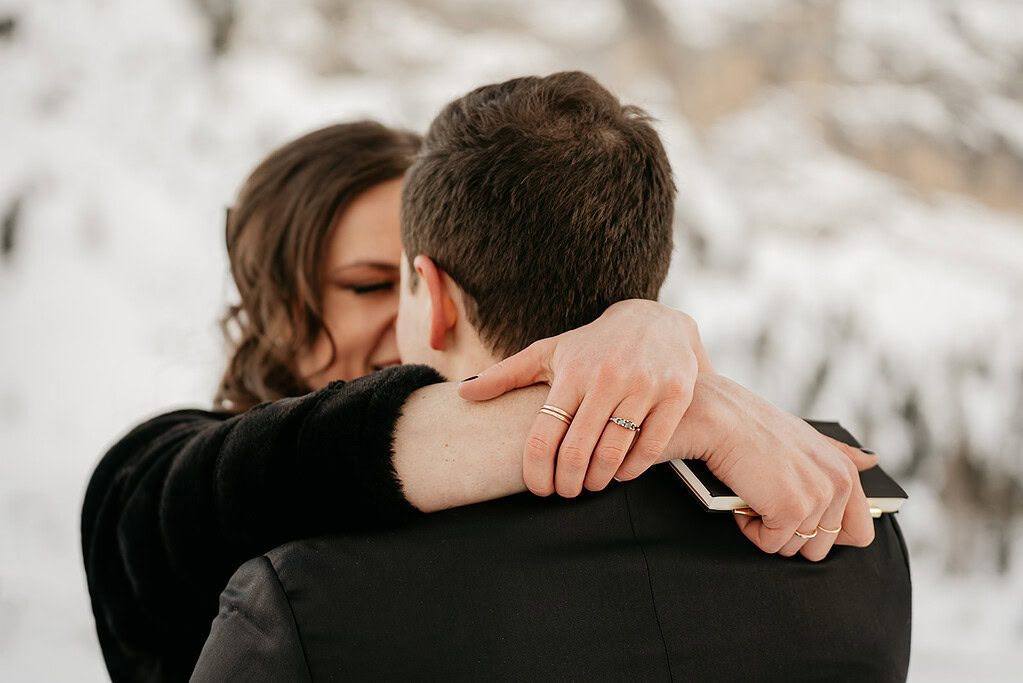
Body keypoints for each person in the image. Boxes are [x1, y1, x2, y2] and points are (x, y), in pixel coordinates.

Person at [83, 119, 878, 681]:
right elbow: (278, 470)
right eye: (368, 284)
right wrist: (691, 404)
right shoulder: (162, 475)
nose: (409, 323)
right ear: (275, 308)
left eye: (413, 279)